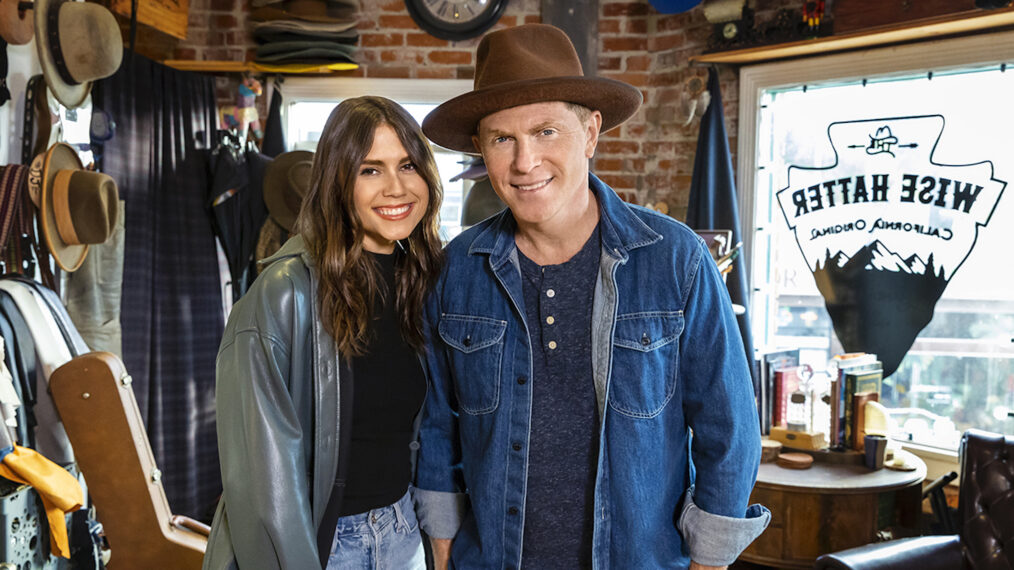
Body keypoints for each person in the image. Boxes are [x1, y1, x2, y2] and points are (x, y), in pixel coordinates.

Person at [413, 24, 770, 569]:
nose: (524, 162)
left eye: (546, 131)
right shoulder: (456, 270)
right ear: (482, 149)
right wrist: (441, 555)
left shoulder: (676, 260)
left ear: (591, 132)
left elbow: (730, 428)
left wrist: (710, 562)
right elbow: (439, 428)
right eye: (501, 139)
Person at [203, 96, 444, 570]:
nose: (396, 188)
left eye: (408, 165)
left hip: (403, 534)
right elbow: (261, 487)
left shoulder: (423, 279)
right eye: (370, 170)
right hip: (324, 546)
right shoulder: (281, 295)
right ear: (337, 182)